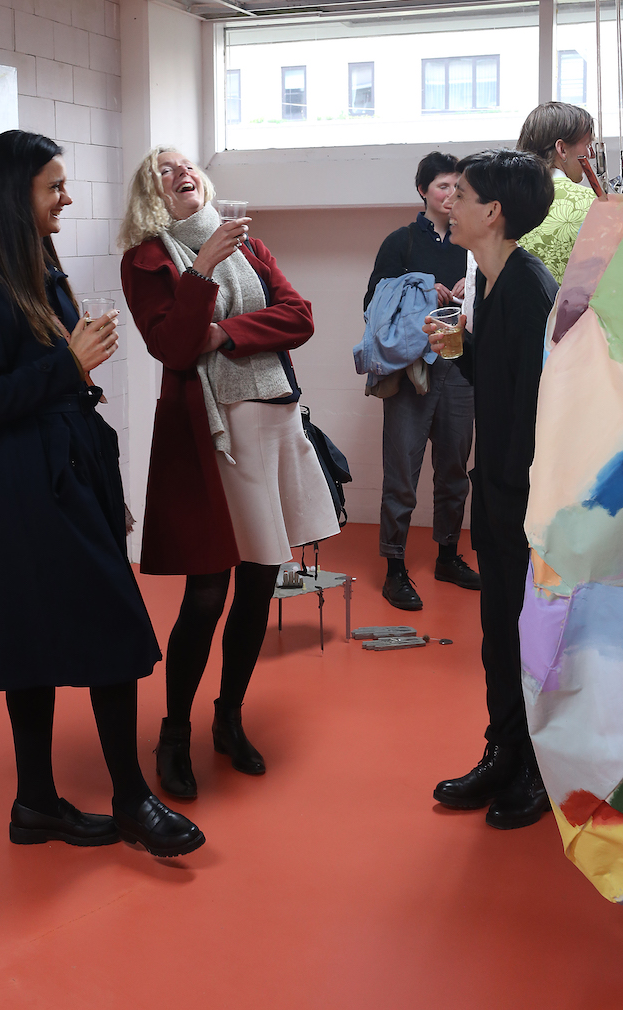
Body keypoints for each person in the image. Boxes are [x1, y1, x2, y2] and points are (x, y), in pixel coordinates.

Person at [0, 130, 204, 858]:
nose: (67, 197)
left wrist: (72, 362)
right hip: (22, 486)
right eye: (53, 186)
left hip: (60, 471)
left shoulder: (37, 262)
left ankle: (36, 804)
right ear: (13, 193)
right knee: (106, 628)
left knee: (52, 634)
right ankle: (129, 801)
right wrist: (70, 362)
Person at [119, 147, 339, 800]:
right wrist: (204, 268)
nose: (180, 171)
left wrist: (227, 334)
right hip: (212, 435)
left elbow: (300, 317)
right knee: (208, 591)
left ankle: (228, 720)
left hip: (272, 421)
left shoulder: (250, 244)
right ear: (151, 194)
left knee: (260, 581)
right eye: (164, 170)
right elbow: (172, 346)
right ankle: (174, 734)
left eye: (185, 163)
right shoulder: (147, 259)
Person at [426, 149, 558, 830]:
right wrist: (459, 348)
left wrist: (518, 494)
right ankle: (503, 751)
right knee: (499, 632)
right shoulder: (489, 280)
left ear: (494, 212)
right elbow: (499, 378)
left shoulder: (531, 288)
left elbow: (544, 406)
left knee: (531, 636)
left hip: (527, 495)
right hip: (501, 487)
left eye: (463, 194)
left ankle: (536, 769)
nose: (449, 202)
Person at [364, 151, 480, 612]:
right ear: (422, 191)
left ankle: (448, 556)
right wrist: (421, 288)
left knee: (454, 470)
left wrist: (474, 290)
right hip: (413, 367)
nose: (451, 195)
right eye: (442, 186)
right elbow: (373, 304)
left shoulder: (473, 243)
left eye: (457, 187)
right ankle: (395, 567)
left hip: (461, 364)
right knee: (402, 472)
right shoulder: (402, 241)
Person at [516, 101, 596, 284]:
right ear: (562, 149)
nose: (590, 154)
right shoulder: (594, 204)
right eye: (587, 144)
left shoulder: (502, 202)